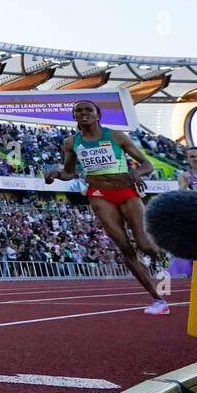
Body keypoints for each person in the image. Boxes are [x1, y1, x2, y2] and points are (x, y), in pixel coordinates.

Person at [45, 100, 166, 313]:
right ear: (74, 116)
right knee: (124, 246)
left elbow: (148, 164)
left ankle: (169, 262)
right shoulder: (71, 142)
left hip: (126, 190)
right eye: (78, 111)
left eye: (88, 110)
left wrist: (136, 173)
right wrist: (56, 174)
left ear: (98, 114)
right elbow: (70, 172)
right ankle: (158, 299)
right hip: (99, 193)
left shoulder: (117, 136)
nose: (83, 113)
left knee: (144, 243)